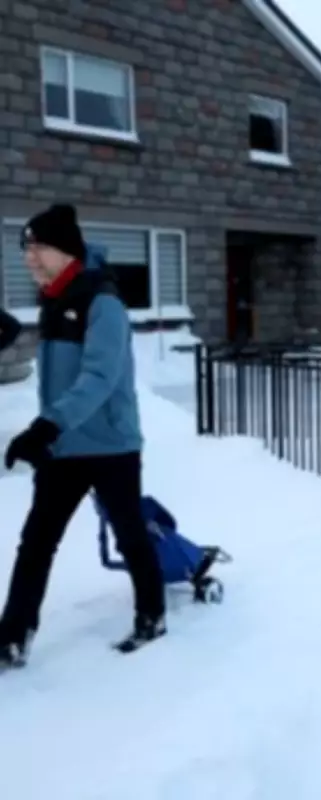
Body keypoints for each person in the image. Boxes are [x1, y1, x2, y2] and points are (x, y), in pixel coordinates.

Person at [0, 203, 166, 667]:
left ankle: (152, 614)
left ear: (66, 251)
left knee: (129, 533)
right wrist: (50, 432)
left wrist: (46, 425)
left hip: (111, 444)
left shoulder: (103, 302)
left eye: (38, 247)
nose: (29, 257)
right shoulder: (54, 299)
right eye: (26, 248)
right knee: (37, 541)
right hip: (65, 446)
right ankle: (12, 636)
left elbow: (99, 377)